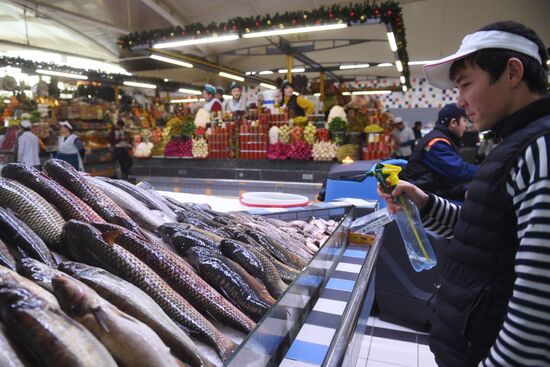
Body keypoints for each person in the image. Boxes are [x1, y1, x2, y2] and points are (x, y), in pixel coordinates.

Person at [379, 21, 549, 366]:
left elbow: (538, 301)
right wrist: (424, 203)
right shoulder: (513, 144)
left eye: (466, 84)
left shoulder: (540, 150)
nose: (460, 101)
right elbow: (485, 232)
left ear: (512, 72)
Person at [402, 104, 478, 201]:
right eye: (464, 120)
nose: (466, 125)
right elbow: (459, 171)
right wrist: (486, 170)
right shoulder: (436, 143)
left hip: (434, 191)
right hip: (425, 198)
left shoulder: (441, 138)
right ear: (454, 122)